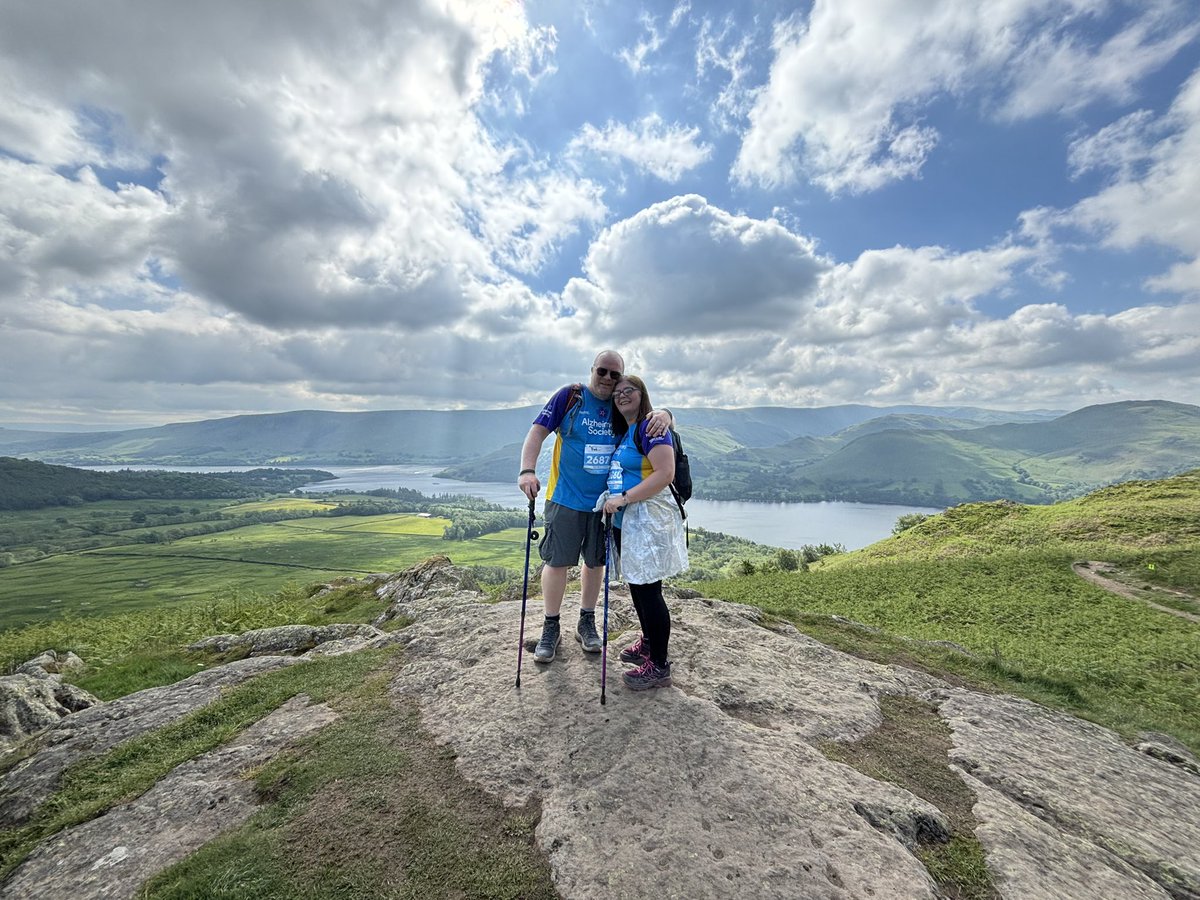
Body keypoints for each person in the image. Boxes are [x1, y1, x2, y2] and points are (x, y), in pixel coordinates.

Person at [518, 351, 672, 664]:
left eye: (615, 375)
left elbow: (646, 420)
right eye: (602, 371)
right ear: (592, 370)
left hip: (605, 504)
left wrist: (667, 414)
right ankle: (551, 625)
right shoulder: (570, 397)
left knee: (595, 561)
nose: (608, 379)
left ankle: (586, 621)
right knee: (557, 561)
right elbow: (537, 431)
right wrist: (527, 470)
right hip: (565, 497)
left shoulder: (619, 404)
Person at [602, 374, 688, 690]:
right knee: (638, 587)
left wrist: (623, 498)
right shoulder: (629, 430)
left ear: (642, 394)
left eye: (629, 390)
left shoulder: (651, 428)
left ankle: (660, 666)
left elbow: (665, 474)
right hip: (629, 523)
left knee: (650, 592)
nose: (622, 395)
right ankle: (649, 644)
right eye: (617, 392)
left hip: (647, 523)